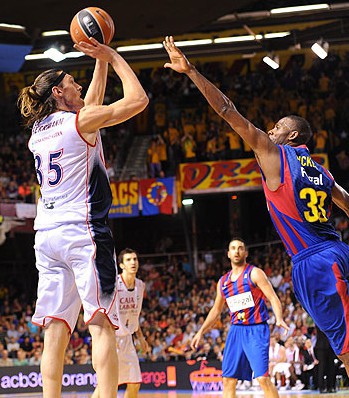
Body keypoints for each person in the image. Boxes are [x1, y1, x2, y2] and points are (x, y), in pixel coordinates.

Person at [163, 35, 349, 375]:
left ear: (292, 137)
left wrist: (190, 71)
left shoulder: (274, 154)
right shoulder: (322, 170)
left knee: (347, 349)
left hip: (313, 262)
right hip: (339, 250)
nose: (270, 130)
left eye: (278, 127)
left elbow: (226, 111)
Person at [17, 38, 148, 398]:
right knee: (102, 323)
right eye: (72, 80)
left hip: (46, 237)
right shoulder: (81, 121)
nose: (78, 83)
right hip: (83, 233)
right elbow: (139, 100)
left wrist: (99, 63)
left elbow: (88, 105)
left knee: (55, 328)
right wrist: (114, 57)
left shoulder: (37, 133)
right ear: (59, 91)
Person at [191, 238, 289, 398]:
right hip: (236, 330)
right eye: (233, 248)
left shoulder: (255, 273)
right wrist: (200, 331)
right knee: (228, 379)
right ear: (228, 254)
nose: (237, 251)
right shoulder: (222, 282)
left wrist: (279, 318)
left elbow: (273, 297)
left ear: (246, 253)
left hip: (256, 329)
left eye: (240, 248)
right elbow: (216, 310)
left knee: (263, 378)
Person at [92, 248, 149, 398]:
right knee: (106, 385)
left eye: (135, 259)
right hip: (112, 338)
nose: (133, 262)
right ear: (122, 265)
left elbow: (134, 315)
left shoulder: (140, 285)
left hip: (128, 340)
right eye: (129, 260)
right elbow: (103, 312)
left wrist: (141, 337)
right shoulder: (114, 285)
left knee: (135, 382)